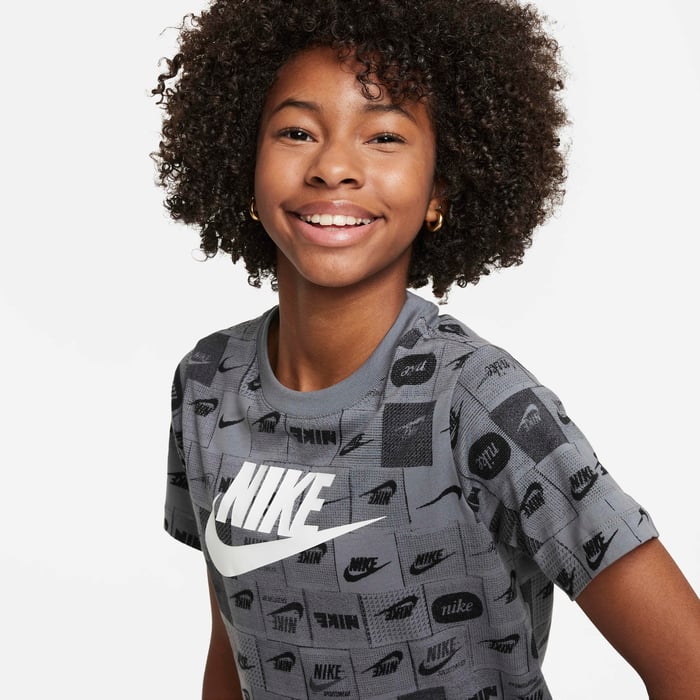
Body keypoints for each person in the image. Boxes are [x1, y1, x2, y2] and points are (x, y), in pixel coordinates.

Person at [153, 1, 700, 698]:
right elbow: (232, 647)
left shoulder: (478, 401)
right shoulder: (207, 384)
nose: (333, 167)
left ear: (439, 188)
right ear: (246, 163)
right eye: (296, 131)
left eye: (383, 137)